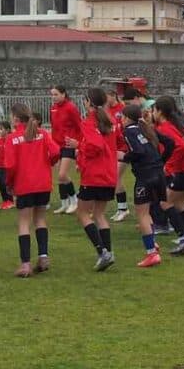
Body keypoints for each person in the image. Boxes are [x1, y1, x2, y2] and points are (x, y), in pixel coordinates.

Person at [0, 103, 60, 277]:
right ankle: (43, 256)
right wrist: (48, 164)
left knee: (24, 222)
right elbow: (56, 151)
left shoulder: (12, 138)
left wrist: (9, 184)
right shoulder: (42, 133)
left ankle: (25, 264)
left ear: (16, 118)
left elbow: (10, 165)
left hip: (24, 184)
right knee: (40, 219)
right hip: (43, 183)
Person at [67, 88, 118, 272]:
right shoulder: (110, 120)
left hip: (94, 175)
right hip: (109, 174)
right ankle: (108, 252)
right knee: (99, 214)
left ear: (88, 102)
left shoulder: (89, 122)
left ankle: (102, 251)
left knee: (82, 213)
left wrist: (78, 146)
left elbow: (95, 146)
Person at [153, 96, 184, 256]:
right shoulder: (177, 124)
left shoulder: (166, 127)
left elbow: (180, 147)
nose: (152, 113)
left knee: (165, 202)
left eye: (153, 110)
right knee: (180, 203)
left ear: (160, 111)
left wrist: (168, 166)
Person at [119, 104, 166, 268]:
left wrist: (124, 156)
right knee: (147, 211)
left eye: (122, 117)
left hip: (146, 175)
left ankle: (151, 253)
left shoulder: (129, 131)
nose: (121, 120)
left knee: (142, 214)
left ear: (127, 118)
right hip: (159, 172)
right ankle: (152, 242)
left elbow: (138, 151)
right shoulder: (144, 129)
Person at [49, 85, 82, 215]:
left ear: (64, 94)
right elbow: (54, 127)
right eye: (52, 95)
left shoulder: (71, 108)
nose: (53, 97)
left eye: (56, 94)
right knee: (60, 177)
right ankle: (64, 203)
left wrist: (78, 144)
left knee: (63, 174)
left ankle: (74, 200)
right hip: (56, 145)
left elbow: (79, 126)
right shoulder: (53, 108)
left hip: (68, 144)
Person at [106, 90, 131, 221]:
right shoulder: (106, 110)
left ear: (113, 96)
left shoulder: (122, 109)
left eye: (107, 97)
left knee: (115, 177)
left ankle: (123, 208)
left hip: (124, 149)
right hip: (114, 149)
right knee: (114, 178)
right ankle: (122, 208)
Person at [0, 120, 15, 210]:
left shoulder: (11, 140)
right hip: (0, 167)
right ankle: (5, 201)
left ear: (7, 130)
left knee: (7, 184)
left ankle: (10, 201)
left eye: (1, 129)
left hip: (8, 167)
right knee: (0, 184)